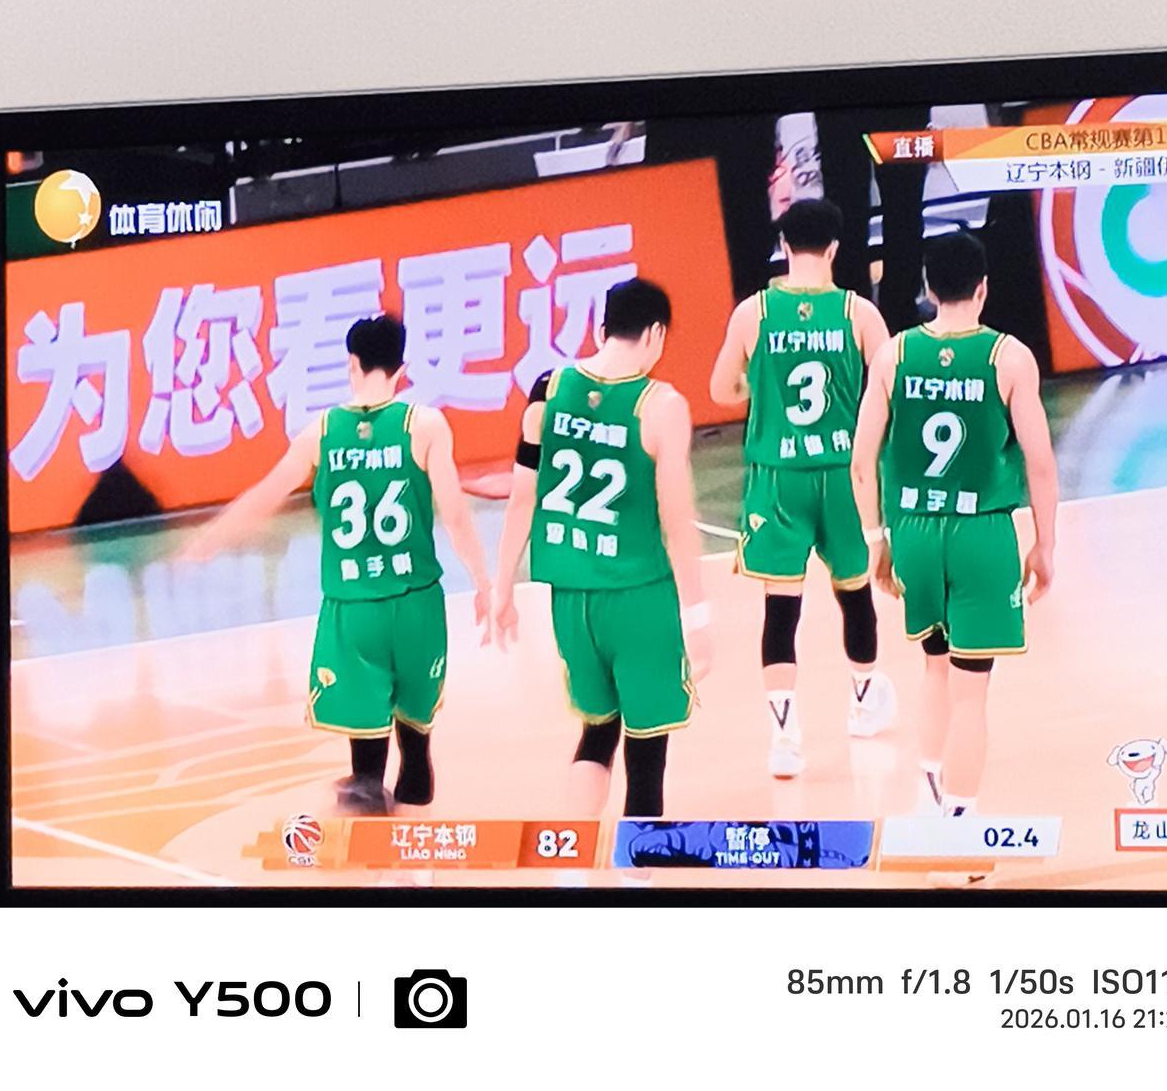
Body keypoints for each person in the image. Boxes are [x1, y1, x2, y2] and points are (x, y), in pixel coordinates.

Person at [180, 314, 493, 814]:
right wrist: (483, 581)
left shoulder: (320, 432)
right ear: (402, 369)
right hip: (415, 604)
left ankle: (371, 831)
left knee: (365, 763)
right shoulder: (426, 425)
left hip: (353, 608)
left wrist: (211, 538)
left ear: (352, 364)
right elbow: (454, 514)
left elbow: (267, 495)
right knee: (416, 754)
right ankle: (415, 853)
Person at [850, 229, 1057, 818]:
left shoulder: (893, 354)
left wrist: (876, 540)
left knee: (935, 667)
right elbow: (1041, 464)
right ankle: (957, 825)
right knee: (971, 691)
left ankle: (929, 799)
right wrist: (1045, 545)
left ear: (927, 287)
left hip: (914, 531)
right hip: (980, 533)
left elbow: (861, 463)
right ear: (983, 288)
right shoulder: (1008, 358)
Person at [493, 278, 713, 820]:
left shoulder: (548, 387)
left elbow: (521, 497)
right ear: (656, 334)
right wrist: (698, 617)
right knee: (647, 751)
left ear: (601, 327)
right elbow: (677, 522)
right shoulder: (661, 404)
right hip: (638, 595)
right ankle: (638, 866)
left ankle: (574, 853)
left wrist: (501, 589)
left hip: (571, 599)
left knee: (596, 733)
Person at [710, 198, 897, 779]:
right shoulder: (859, 313)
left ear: (784, 247)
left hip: (778, 477)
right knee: (855, 594)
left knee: (781, 608)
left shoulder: (755, 312)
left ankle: (785, 740)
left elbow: (720, 390)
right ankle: (862, 702)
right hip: (843, 473)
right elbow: (891, 389)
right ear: (836, 248)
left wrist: (759, 389)